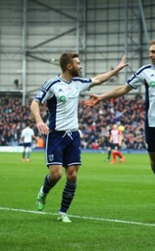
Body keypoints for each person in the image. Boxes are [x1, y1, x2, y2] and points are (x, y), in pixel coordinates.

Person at [85, 38, 155, 220]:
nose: (149, 54)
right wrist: (101, 97)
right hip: (152, 124)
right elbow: (124, 88)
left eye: (153, 52)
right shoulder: (145, 72)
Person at [31, 52, 128, 223]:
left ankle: (63, 213)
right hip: (55, 135)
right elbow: (35, 103)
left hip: (73, 135)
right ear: (70, 66)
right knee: (55, 175)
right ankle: (43, 193)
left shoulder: (78, 83)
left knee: (72, 175)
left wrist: (117, 70)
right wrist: (39, 121)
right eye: (78, 63)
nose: (80, 66)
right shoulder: (52, 84)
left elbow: (99, 79)